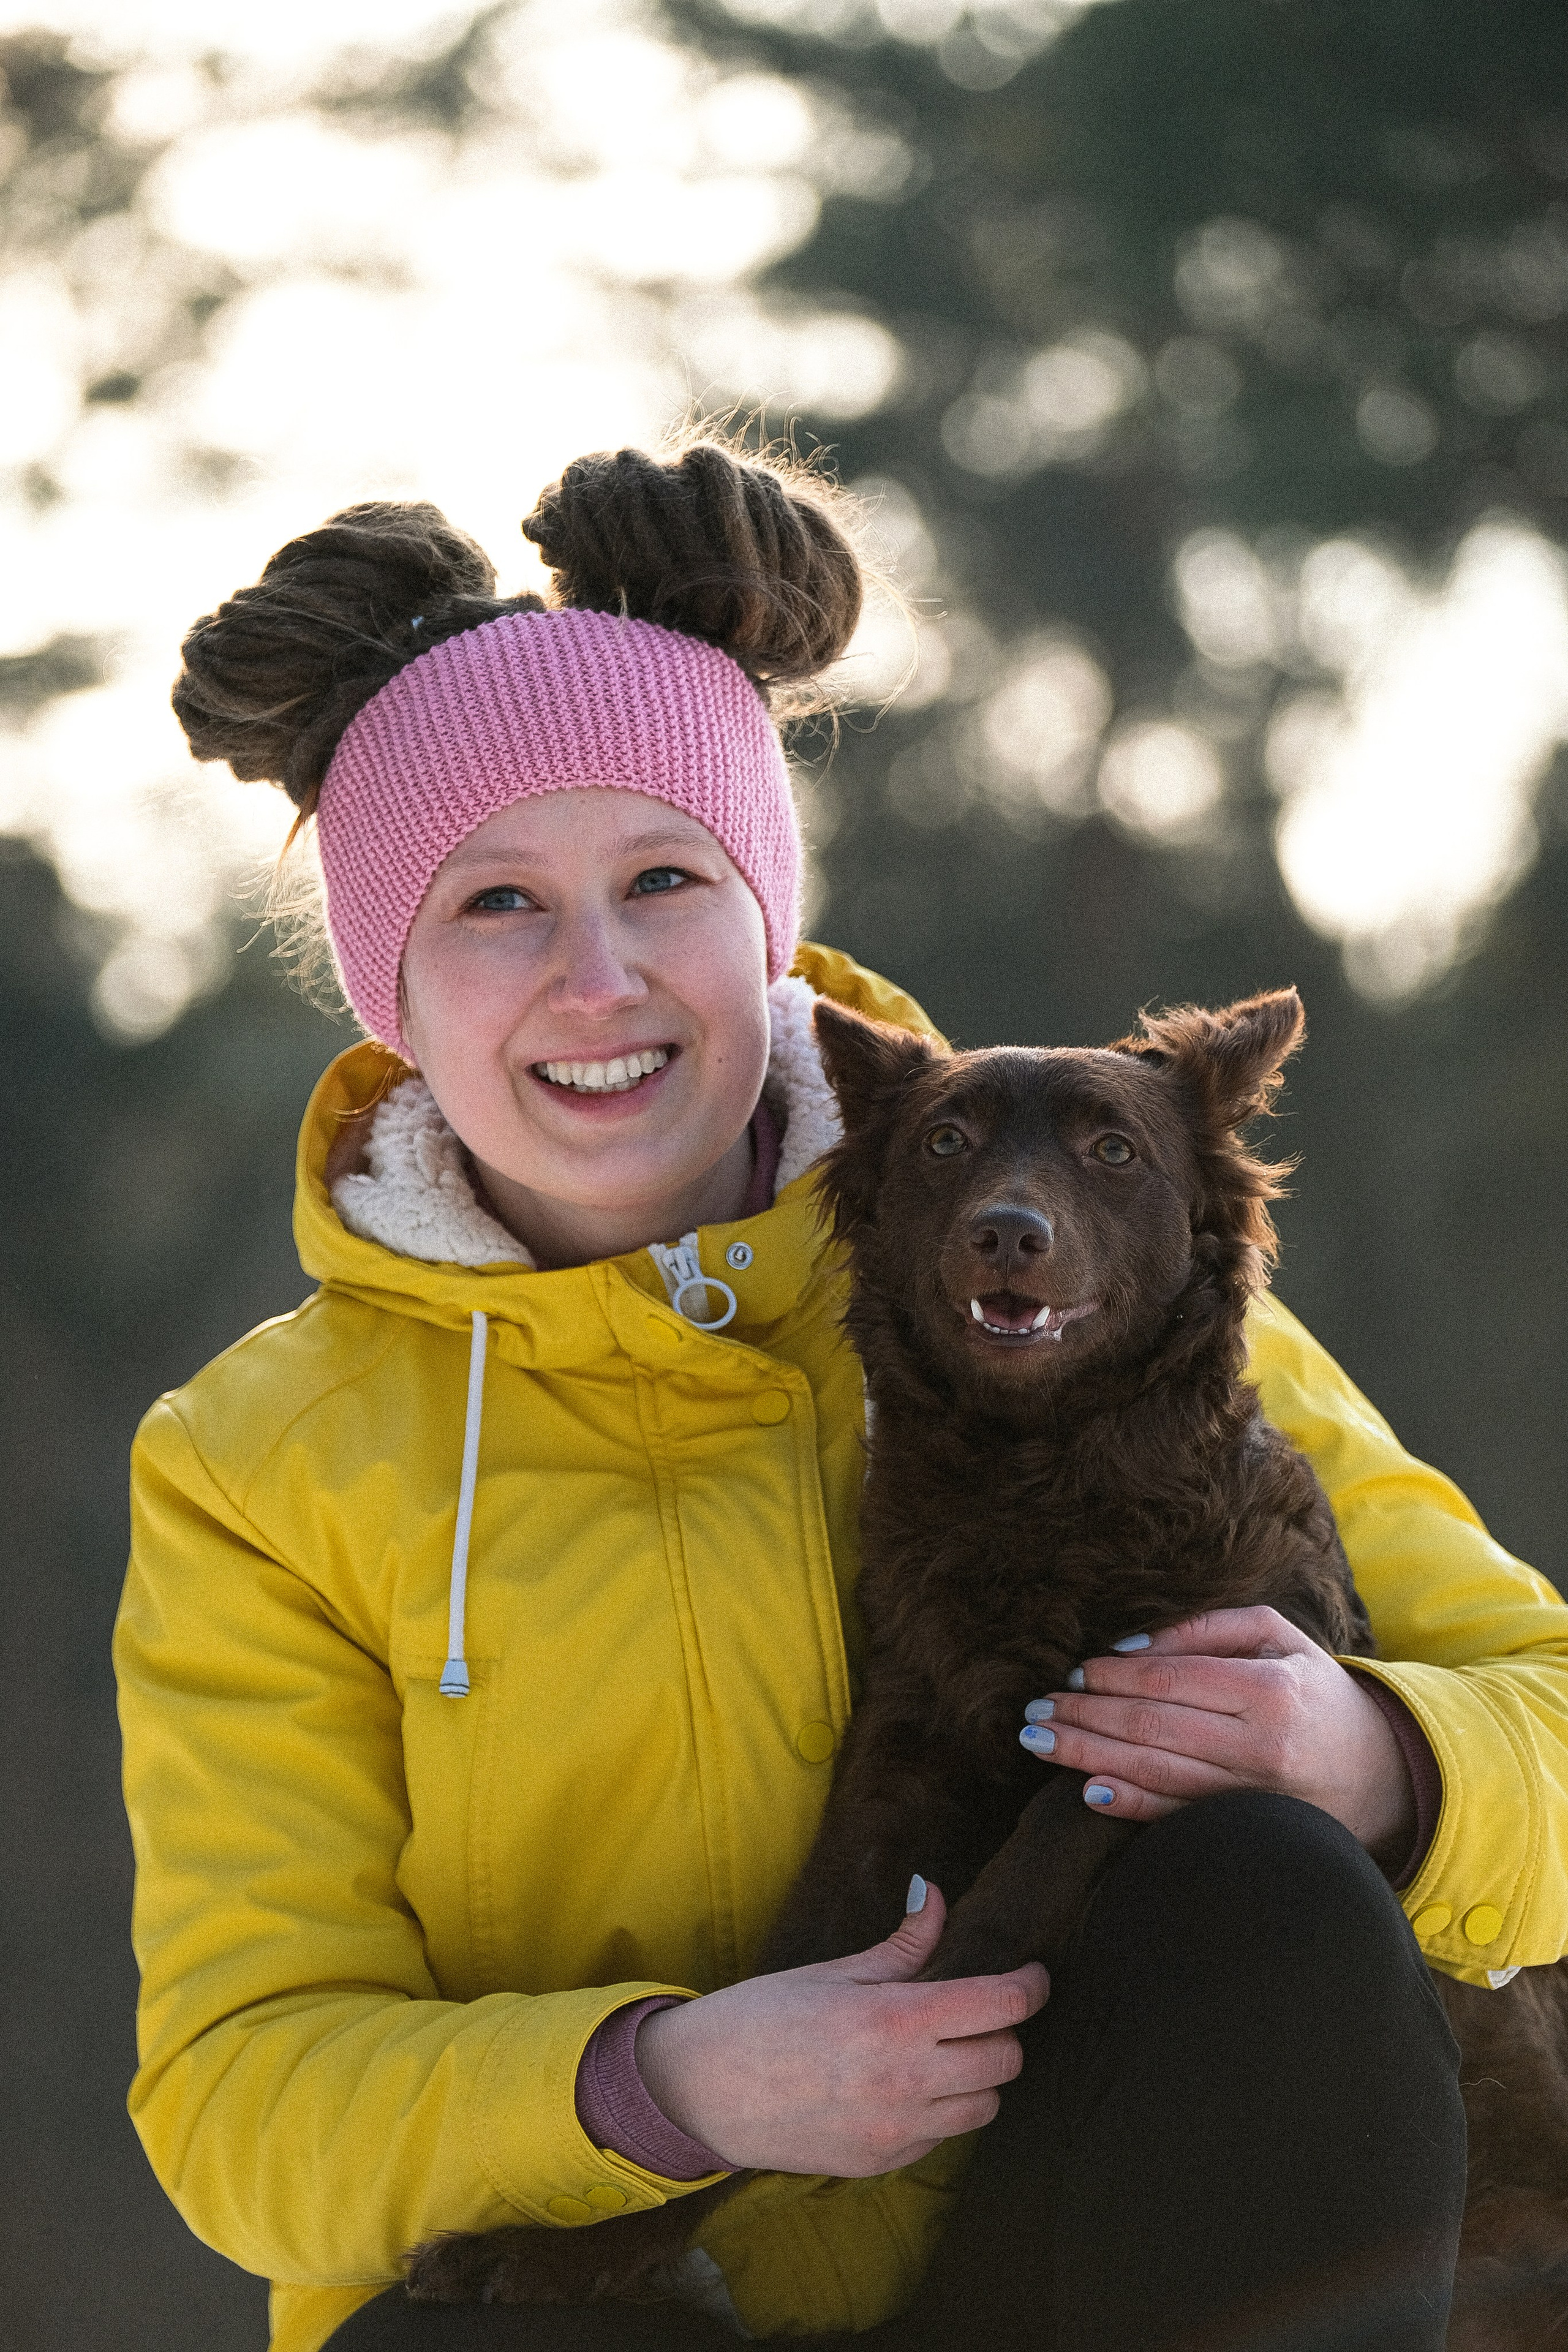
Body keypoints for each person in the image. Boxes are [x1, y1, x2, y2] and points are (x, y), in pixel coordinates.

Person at [116, 438, 1568, 2352]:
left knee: (1278, 1890)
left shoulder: (1068, 1278)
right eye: (496, 905)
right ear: (393, 982)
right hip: (621, 2308)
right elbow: (242, 2106)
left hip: (1070, 2277)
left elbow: (1546, 1718)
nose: (599, 978)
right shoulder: (256, 1465)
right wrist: (662, 2087)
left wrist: (1378, 1761)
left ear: (767, 912)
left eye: (664, 879)